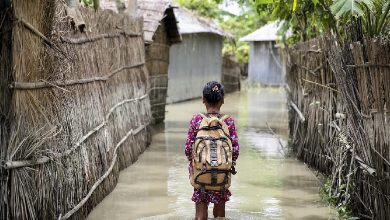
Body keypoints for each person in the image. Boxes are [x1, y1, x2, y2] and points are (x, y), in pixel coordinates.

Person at [184, 81, 240, 220]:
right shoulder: (228, 122)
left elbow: (188, 149)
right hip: (222, 174)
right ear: (223, 100)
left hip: (200, 173)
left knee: (200, 216)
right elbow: (235, 151)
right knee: (220, 215)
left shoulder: (197, 120)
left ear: (203, 99)